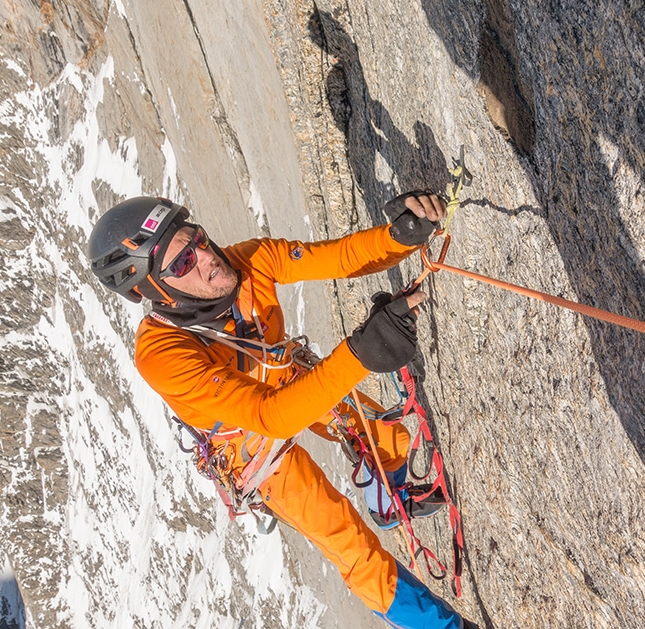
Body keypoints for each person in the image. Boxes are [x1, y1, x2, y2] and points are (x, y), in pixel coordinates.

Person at [87, 193, 478, 629]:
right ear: (153, 291)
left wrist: (400, 237)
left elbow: (341, 257)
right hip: (250, 446)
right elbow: (272, 417)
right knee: (350, 543)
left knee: (388, 438)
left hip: (282, 380)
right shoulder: (162, 354)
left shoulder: (249, 261)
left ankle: (389, 502)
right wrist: (362, 352)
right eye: (181, 264)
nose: (205, 257)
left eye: (195, 239)